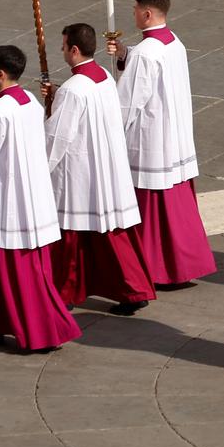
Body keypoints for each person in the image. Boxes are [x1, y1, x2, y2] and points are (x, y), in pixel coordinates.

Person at [0, 46, 81, 353]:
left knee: (16, 272)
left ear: (0, 73)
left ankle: (38, 334)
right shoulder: (30, 102)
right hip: (33, 198)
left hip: (8, 202)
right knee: (17, 271)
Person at [106, 0, 217, 288]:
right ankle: (182, 266)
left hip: (152, 141)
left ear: (146, 13)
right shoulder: (174, 42)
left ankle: (155, 270)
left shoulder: (145, 54)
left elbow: (128, 103)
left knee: (153, 213)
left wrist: (108, 131)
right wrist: (125, 54)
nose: (132, 13)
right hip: (175, 136)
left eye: (134, 9)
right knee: (177, 211)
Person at [44, 23, 155, 316]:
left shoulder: (72, 90)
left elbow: (58, 136)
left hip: (80, 173)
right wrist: (57, 93)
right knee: (112, 236)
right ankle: (133, 291)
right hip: (107, 166)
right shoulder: (103, 76)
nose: (61, 50)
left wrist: (41, 168)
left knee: (72, 238)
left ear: (74, 50)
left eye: (63, 46)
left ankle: (65, 294)